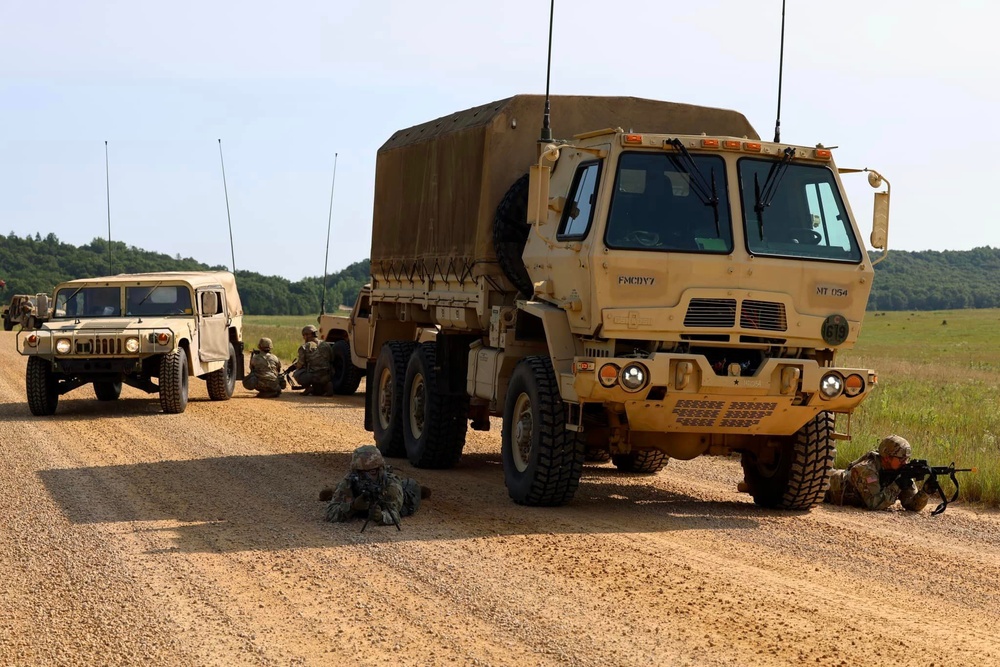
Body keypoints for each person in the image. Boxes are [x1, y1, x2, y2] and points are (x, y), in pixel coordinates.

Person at [321, 445, 429, 528]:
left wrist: (381, 517)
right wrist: (353, 506)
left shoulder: (391, 485)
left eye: (372, 472)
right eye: (362, 473)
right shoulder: (351, 479)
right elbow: (329, 514)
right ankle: (336, 492)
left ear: (380, 470)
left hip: (396, 494)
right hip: (356, 500)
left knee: (412, 492)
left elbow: (395, 515)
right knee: (342, 490)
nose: (366, 477)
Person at [824, 434, 930, 511]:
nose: (905, 462)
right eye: (901, 459)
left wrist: (925, 492)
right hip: (825, 488)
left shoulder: (900, 471)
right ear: (887, 458)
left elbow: (911, 505)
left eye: (907, 458)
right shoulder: (867, 469)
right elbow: (874, 503)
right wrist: (897, 484)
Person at [292, 324, 333, 395]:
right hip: (327, 375)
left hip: (314, 376)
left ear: (307, 335)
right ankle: (326, 386)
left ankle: (308, 387)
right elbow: (332, 359)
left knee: (296, 374)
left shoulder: (304, 347)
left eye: (304, 336)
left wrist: (295, 366)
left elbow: (300, 365)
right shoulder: (326, 345)